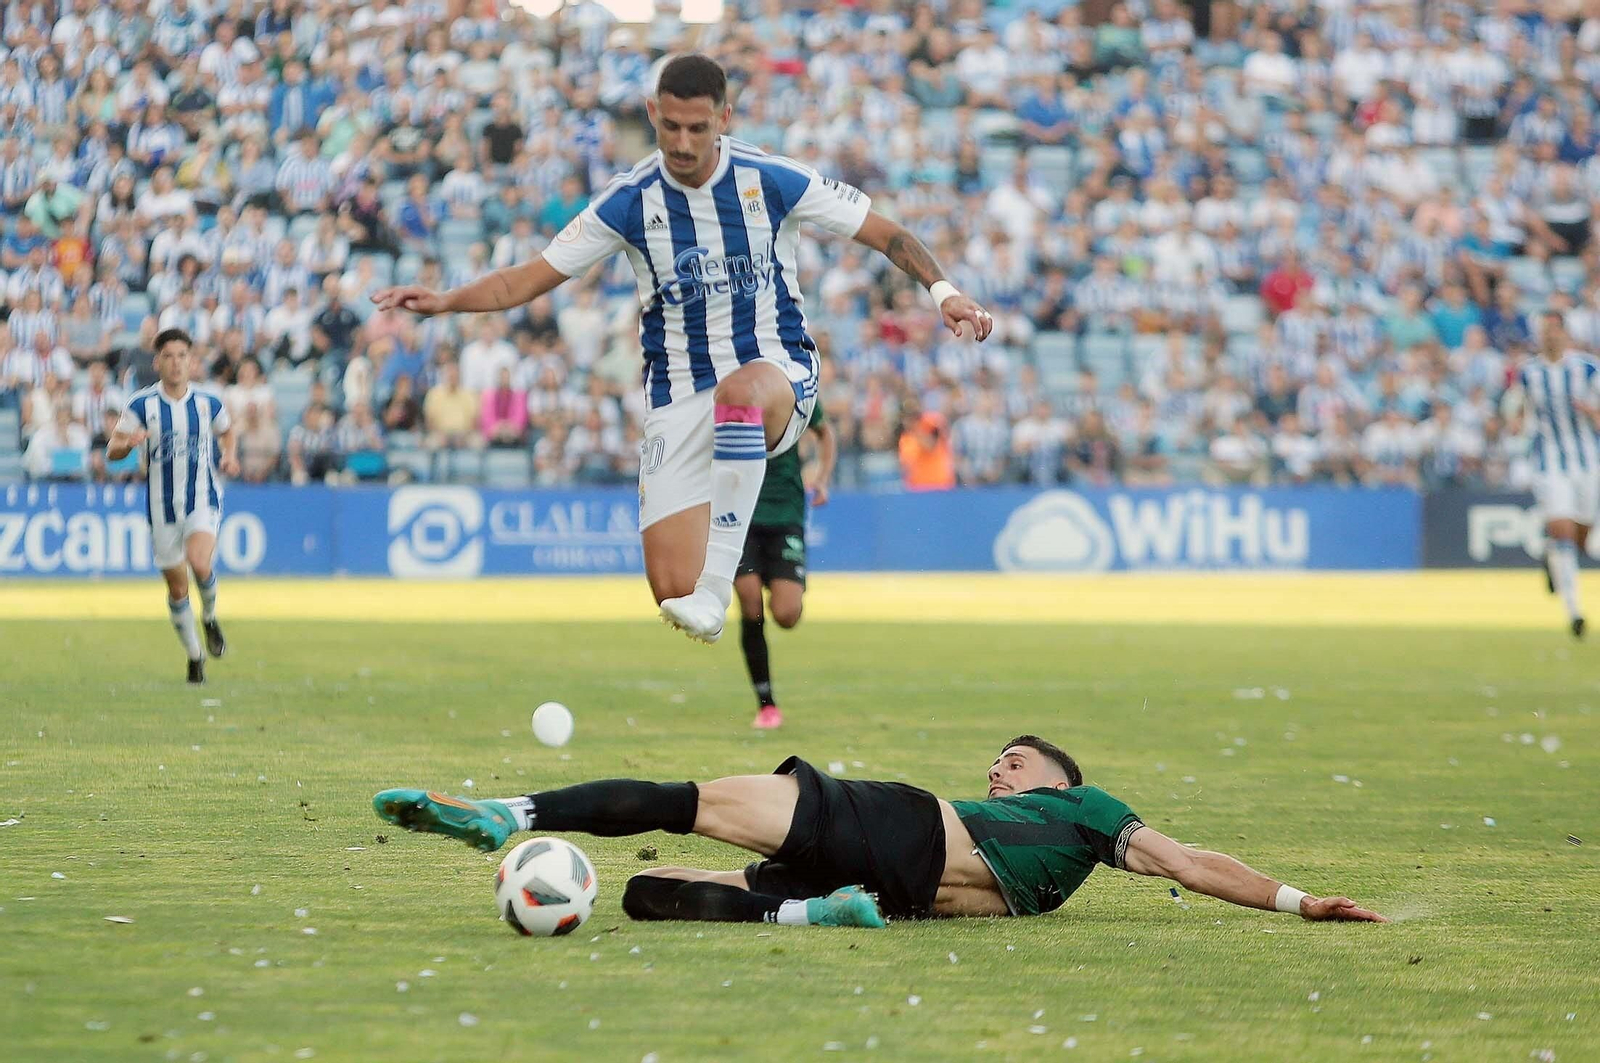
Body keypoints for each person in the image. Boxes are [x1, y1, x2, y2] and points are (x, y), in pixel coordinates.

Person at [371, 54, 992, 644]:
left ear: (725, 118)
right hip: (678, 398)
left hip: (776, 376)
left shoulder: (772, 179)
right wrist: (446, 300)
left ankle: (719, 586)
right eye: (671, 126)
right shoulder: (629, 200)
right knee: (672, 589)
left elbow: (888, 232)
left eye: (698, 127)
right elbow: (525, 278)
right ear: (651, 114)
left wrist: (944, 292)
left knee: (741, 393)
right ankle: (704, 588)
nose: (684, 143)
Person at [373, 735, 1387, 929]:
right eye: (997, 761)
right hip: (894, 886)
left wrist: (1295, 900)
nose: (1001, 767)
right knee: (648, 887)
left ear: (1064, 782)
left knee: (689, 797)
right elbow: (969, 894)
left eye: (1018, 760)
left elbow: (1185, 860)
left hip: (893, 824)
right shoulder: (1036, 883)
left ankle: (511, 812)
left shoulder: (1084, 811)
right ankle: (808, 916)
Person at [105, 328, 239, 684]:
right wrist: (130, 444)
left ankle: (209, 617)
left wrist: (230, 456)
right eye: (169, 356)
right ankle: (195, 656)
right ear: (157, 362)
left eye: (183, 356)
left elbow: (227, 430)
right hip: (162, 507)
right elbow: (112, 450)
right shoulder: (140, 405)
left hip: (202, 497)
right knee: (177, 589)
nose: (177, 363)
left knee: (199, 561)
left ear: (191, 361)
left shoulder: (208, 403)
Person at [737, 402, 836, 729]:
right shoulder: (730, 389)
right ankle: (766, 704)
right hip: (740, 515)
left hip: (785, 514)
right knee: (749, 602)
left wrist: (822, 478)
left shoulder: (794, 389)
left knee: (787, 615)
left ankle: (777, 580)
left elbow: (825, 433)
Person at [1514, 311, 1600, 638]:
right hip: (1549, 462)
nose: (1550, 336)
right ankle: (1575, 612)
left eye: (1555, 330)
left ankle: (1551, 556)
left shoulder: (1588, 368)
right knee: (1562, 528)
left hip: (1587, 462)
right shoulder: (1529, 373)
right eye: (1544, 331)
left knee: (1581, 535)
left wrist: (1592, 412)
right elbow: (1520, 410)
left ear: (1565, 334)